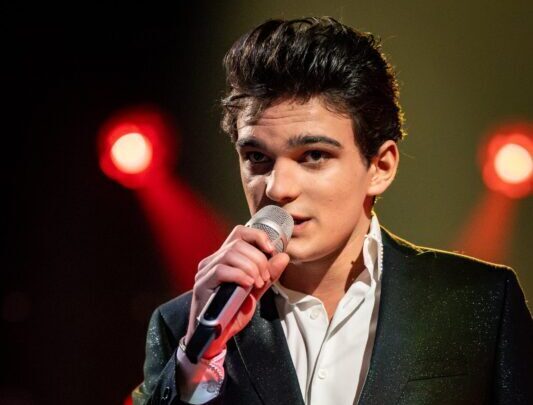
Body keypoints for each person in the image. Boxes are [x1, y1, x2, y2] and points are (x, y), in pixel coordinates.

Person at [132, 17, 532, 405]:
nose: (277, 188)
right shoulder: (186, 326)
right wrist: (197, 364)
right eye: (256, 157)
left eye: (313, 155)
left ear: (381, 167)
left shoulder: (478, 303)